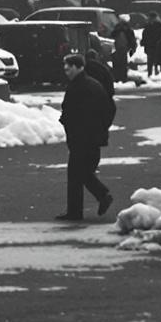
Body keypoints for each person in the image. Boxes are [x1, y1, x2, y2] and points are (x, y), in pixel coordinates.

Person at [57, 52, 116, 220]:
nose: (66, 71)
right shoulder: (92, 85)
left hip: (83, 138)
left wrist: (69, 122)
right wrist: (102, 129)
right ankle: (78, 209)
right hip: (91, 137)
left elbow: (73, 112)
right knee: (81, 173)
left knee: (78, 173)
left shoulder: (80, 87)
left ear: (78, 67)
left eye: (69, 68)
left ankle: (99, 198)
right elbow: (109, 110)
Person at [110, 14, 135, 84]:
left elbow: (131, 39)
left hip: (122, 48)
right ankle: (120, 77)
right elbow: (132, 39)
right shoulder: (124, 29)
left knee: (121, 64)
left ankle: (120, 77)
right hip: (120, 48)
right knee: (120, 64)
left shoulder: (125, 29)